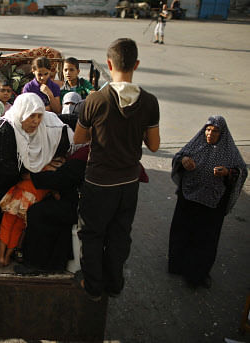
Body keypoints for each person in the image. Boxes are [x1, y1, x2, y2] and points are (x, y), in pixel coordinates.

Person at [74, 38, 160, 301]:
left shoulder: (95, 100)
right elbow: (154, 145)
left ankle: (93, 285)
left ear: (109, 64)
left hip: (99, 182)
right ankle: (114, 283)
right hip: (128, 181)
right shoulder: (149, 102)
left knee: (92, 232)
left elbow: (79, 139)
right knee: (119, 233)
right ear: (136, 64)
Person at [0, 93, 73, 265]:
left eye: (39, 116)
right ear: (21, 112)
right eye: (31, 115)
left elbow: (68, 124)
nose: (36, 121)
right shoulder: (4, 128)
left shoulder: (36, 130)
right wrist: (33, 171)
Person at [168, 116, 247, 288]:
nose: (210, 133)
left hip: (212, 204)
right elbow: (178, 156)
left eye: (215, 131)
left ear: (222, 133)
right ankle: (177, 265)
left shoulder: (229, 152)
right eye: (208, 129)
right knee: (182, 231)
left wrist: (227, 172)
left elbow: (241, 171)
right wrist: (183, 160)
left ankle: (196, 275)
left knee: (205, 239)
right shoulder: (196, 144)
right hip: (189, 198)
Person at [19, 145, 89, 273]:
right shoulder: (94, 150)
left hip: (82, 206)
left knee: (37, 212)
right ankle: (55, 264)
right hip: (84, 203)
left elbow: (62, 178)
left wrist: (32, 176)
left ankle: (35, 264)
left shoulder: (86, 153)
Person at [0, 156, 65, 267]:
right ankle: (7, 257)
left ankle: (0, 257)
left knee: (6, 225)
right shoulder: (59, 174)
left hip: (20, 194)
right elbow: (57, 195)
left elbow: (25, 175)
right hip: (32, 202)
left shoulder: (41, 163)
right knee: (18, 229)